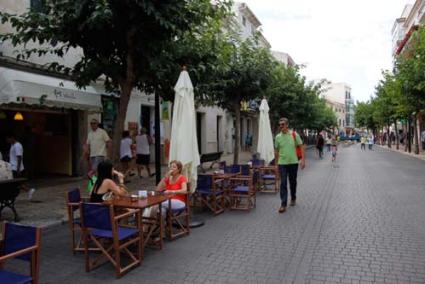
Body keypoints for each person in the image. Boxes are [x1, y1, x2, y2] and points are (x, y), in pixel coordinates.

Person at [274, 117, 305, 214]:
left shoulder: (294, 134)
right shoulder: (278, 137)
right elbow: (276, 151)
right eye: (280, 125)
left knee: (293, 182)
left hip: (293, 162)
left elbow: (301, 146)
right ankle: (283, 204)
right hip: (282, 163)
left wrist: (303, 160)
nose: (281, 126)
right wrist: (276, 164)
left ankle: (293, 197)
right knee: (283, 183)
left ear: (287, 125)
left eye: (282, 124)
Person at [6, 134, 36, 199]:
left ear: (12, 138)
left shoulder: (17, 146)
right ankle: (29, 190)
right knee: (15, 183)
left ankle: (29, 190)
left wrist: (18, 169)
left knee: (15, 183)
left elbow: (19, 157)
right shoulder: (12, 145)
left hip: (16, 167)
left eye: (8, 139)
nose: (7, 141)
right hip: (12, 166)